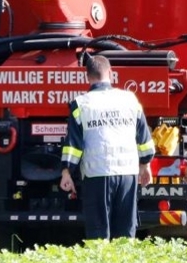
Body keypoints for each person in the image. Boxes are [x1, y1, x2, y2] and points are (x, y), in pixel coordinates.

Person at [59, 54, 156, 239]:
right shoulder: (129, 99)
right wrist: (146, 165)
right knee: (125, 232)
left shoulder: (80, 104)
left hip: (97, 174)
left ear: (87, 77)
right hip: (127, 173)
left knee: (98, 233)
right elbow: (144, 137)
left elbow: (73, 144)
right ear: (111, 73)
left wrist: (66, 172)